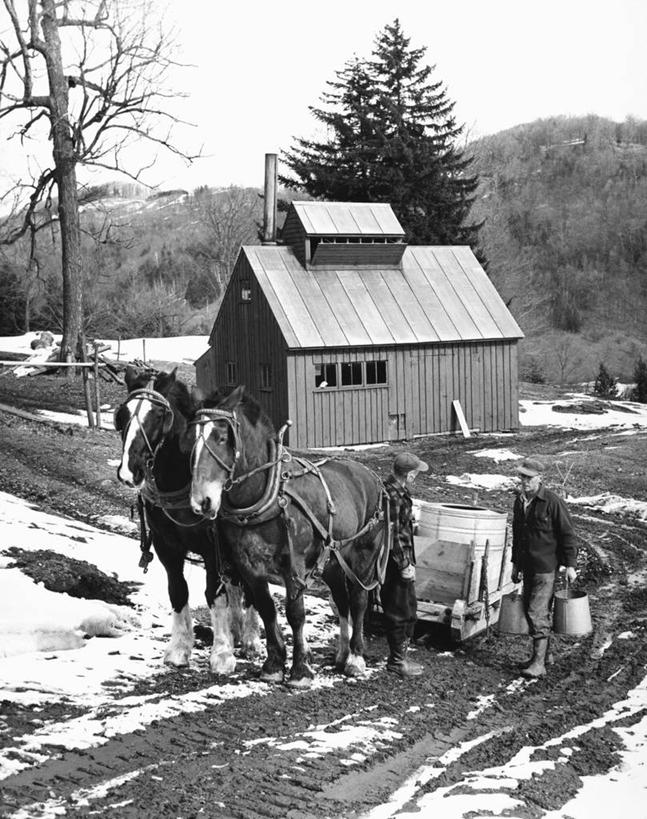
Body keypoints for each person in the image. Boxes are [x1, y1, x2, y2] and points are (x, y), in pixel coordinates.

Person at [511, 457, 578, 679]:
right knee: (530, 609)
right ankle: (543, 657)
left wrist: (570, 565)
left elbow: (567, 534)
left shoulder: (552, 502)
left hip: (546, 567)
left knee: (536, 611)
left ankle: (539, 665)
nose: (524, 481)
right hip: (528, 566)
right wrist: (515, 565)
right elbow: (518, 536)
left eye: (529, 478)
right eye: (522, 477)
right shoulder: (520, 501)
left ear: (540, 478)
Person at [381, 451, 428, 678]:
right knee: (401, 610)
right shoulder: (394, 496)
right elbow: (394, 534)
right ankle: (397, 661)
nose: (416, 476)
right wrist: (404, 564)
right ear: (409, 475)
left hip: (395, 559)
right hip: (395, 562)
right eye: (416, 473)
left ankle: (400, 658)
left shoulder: (391, 489)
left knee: (406, 608)